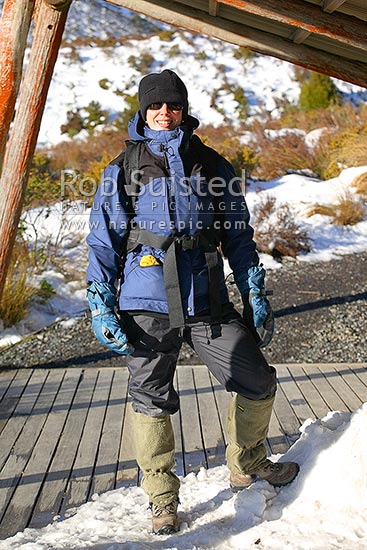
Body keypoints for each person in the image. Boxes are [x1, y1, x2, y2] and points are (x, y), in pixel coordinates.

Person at [86, 69, 299, 535]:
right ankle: (162, 498)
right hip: (146, 303)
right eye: (156, 106)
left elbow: (239, 236)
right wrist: (100, 300)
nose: (165, 113)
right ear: (143, 111)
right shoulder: (122, 169)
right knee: (150, 399)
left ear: (184, 109)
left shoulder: (213, 165)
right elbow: (103, 242)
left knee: (257, 378)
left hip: (208, 301)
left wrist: (254, 289)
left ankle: (247, 462)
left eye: (173, 105)